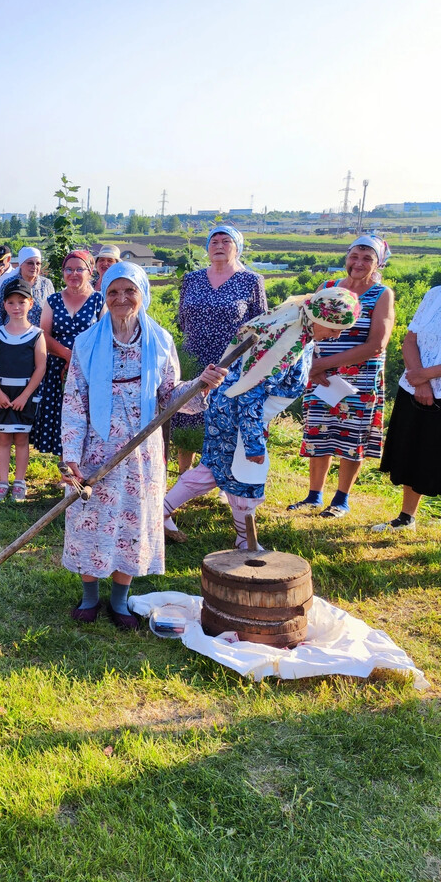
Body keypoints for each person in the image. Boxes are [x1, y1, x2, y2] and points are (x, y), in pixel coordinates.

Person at [61, 262, 226, 629]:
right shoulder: (86, 343)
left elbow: (169, 395)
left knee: (131, 524)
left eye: (129, 291)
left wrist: (201, 385)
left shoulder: (161, 340)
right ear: (104, 297)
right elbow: (74, 401)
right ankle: (90, 597)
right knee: (90, 522)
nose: (121, 299)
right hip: (95, 452)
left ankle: (119, 601)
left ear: (142, 294)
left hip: (141, 455)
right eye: (113, 292)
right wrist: (71, 455)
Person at [164, 288, 361, 549]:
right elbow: (250, 395)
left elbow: (279, 375)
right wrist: (254, 444)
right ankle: (246, 541)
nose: (336, 335)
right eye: (334, 328)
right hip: (240, 415)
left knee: (212, 469)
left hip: (232, 410)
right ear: (318, 318)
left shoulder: (298, 326)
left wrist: (307, 378)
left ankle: (160, 514)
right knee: (246, 475)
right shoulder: (284, 343)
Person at [291, 235, 396, 517]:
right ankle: (313, 495)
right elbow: (305, 328)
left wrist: (323, 364)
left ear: (378, 264)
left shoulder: (381, 294)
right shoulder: (327, 288)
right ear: (346, 257)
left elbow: (377, 344)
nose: (358, 263)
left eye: (367, 259)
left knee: (352, 437)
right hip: (319, 374)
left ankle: (341, 500)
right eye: (354, 256)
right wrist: (313, 364)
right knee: (318, 430)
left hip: (358, 379)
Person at [171, 226, 268, 474]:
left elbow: (261, 326)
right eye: (214, 241)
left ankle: (223, 479)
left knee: (224, 418)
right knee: (188, 415)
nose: (219, 246)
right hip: (194, 358)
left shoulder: (251, 281)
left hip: (231, 361)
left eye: (226, 241)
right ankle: (185, 474)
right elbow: (182, 319)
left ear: (237, 248)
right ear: (207, 248)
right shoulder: (192, 279)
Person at [373, 283, 441, 532]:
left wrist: (425, 374)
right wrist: (419, 381)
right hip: (416, 389)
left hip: (424, 381)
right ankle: (406, 518)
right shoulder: (435, 294)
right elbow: (411, 339)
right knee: (414, 454)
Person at [31, 250, 105, 457]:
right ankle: (66, 471)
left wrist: (79, 360)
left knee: (86, 417)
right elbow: (43, 334)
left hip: (89, 369)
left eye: (79, 269)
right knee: (62, 416)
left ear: (90, 272)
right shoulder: (53, 300)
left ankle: (84, 468)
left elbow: (103, 337)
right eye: (68, 269)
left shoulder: (99, 301)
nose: (73, 274)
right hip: (57, 369)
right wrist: (67, 355)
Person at [0, 278, 47, 503]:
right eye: (11, 302)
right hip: (2, 394)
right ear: (4, 305)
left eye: (21, 302)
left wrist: (25, 396)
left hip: (24, 395)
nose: (16, 307)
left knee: (21, 439)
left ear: (30, 303)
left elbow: (40, 367)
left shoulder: (37, 334)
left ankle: (19, 482)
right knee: (3, 439)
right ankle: (3, 482)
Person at [0, 246, 54, 328]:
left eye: (38, 263)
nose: (34, 266)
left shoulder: (46, 284)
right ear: (21, 264)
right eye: (30, 263)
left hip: (39, 336)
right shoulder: (9, 283)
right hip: (12, 336)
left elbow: (52, 313)